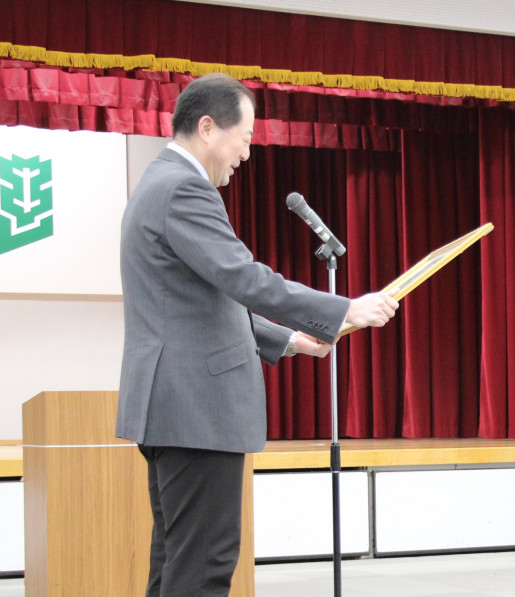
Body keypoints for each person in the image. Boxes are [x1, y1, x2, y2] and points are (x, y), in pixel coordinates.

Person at [116, 73, 399, 596]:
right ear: (207, 127)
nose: (246, 155)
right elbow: (244, 278)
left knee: (178, 565)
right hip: (196, 409)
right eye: (244, 139)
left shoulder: (158, 182)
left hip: (176, 409)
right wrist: (344, 311)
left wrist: (289, 340)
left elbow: (206, 299)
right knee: (203, 567)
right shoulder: (183, 189)